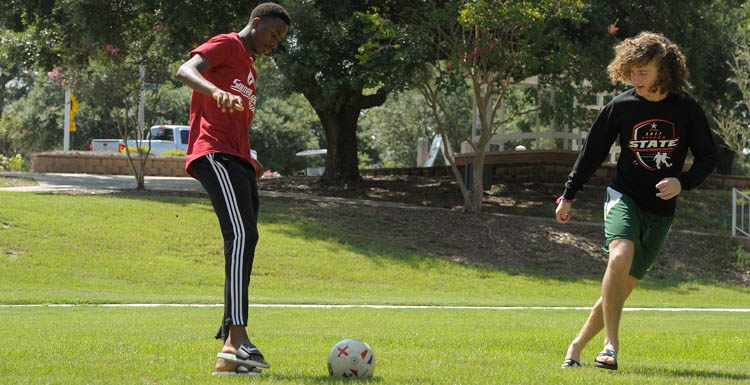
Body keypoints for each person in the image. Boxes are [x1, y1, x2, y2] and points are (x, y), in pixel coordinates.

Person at [555, 31, 717, 370]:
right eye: (631, 71)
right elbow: (591, 153)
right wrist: (568, 195)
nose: (635, 78)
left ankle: (575, 348)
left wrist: (682, 181)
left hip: (661, 212)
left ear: (664, 70)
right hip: (623, 196)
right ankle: (610, 346)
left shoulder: (686, 109)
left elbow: (707, 158)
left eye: (643, 71)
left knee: (618, 290)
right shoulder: (622, 106)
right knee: (620, 256)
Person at [175, 2, 290, 376]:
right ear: (256, 23)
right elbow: (186, 70)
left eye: (280, 38)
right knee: (241, 234)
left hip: (238, 159)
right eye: (273, 34)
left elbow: (237, 121)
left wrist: (249, 157)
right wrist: (214, 91)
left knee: (246, 238)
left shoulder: (251, 70)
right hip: (214, 153)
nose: (275, 42)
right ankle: (237, 339)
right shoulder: (227, 44)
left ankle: (229, 349)